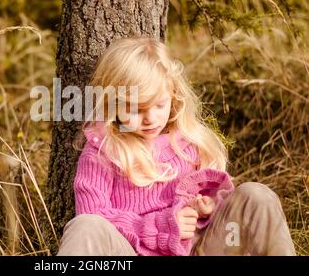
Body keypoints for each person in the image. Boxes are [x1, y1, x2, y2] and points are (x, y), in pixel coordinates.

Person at [56, 37, 296, 256]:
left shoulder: (189, 143)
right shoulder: (103, 153)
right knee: (85, 226)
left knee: (256, 196)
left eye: (159, 105)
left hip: (197, 250)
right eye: (136, 109)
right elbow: (94, 214)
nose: (150, 118)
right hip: (132, 253)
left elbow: (214, 203)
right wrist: (162, 226)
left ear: (173, 94)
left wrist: (208, 206)